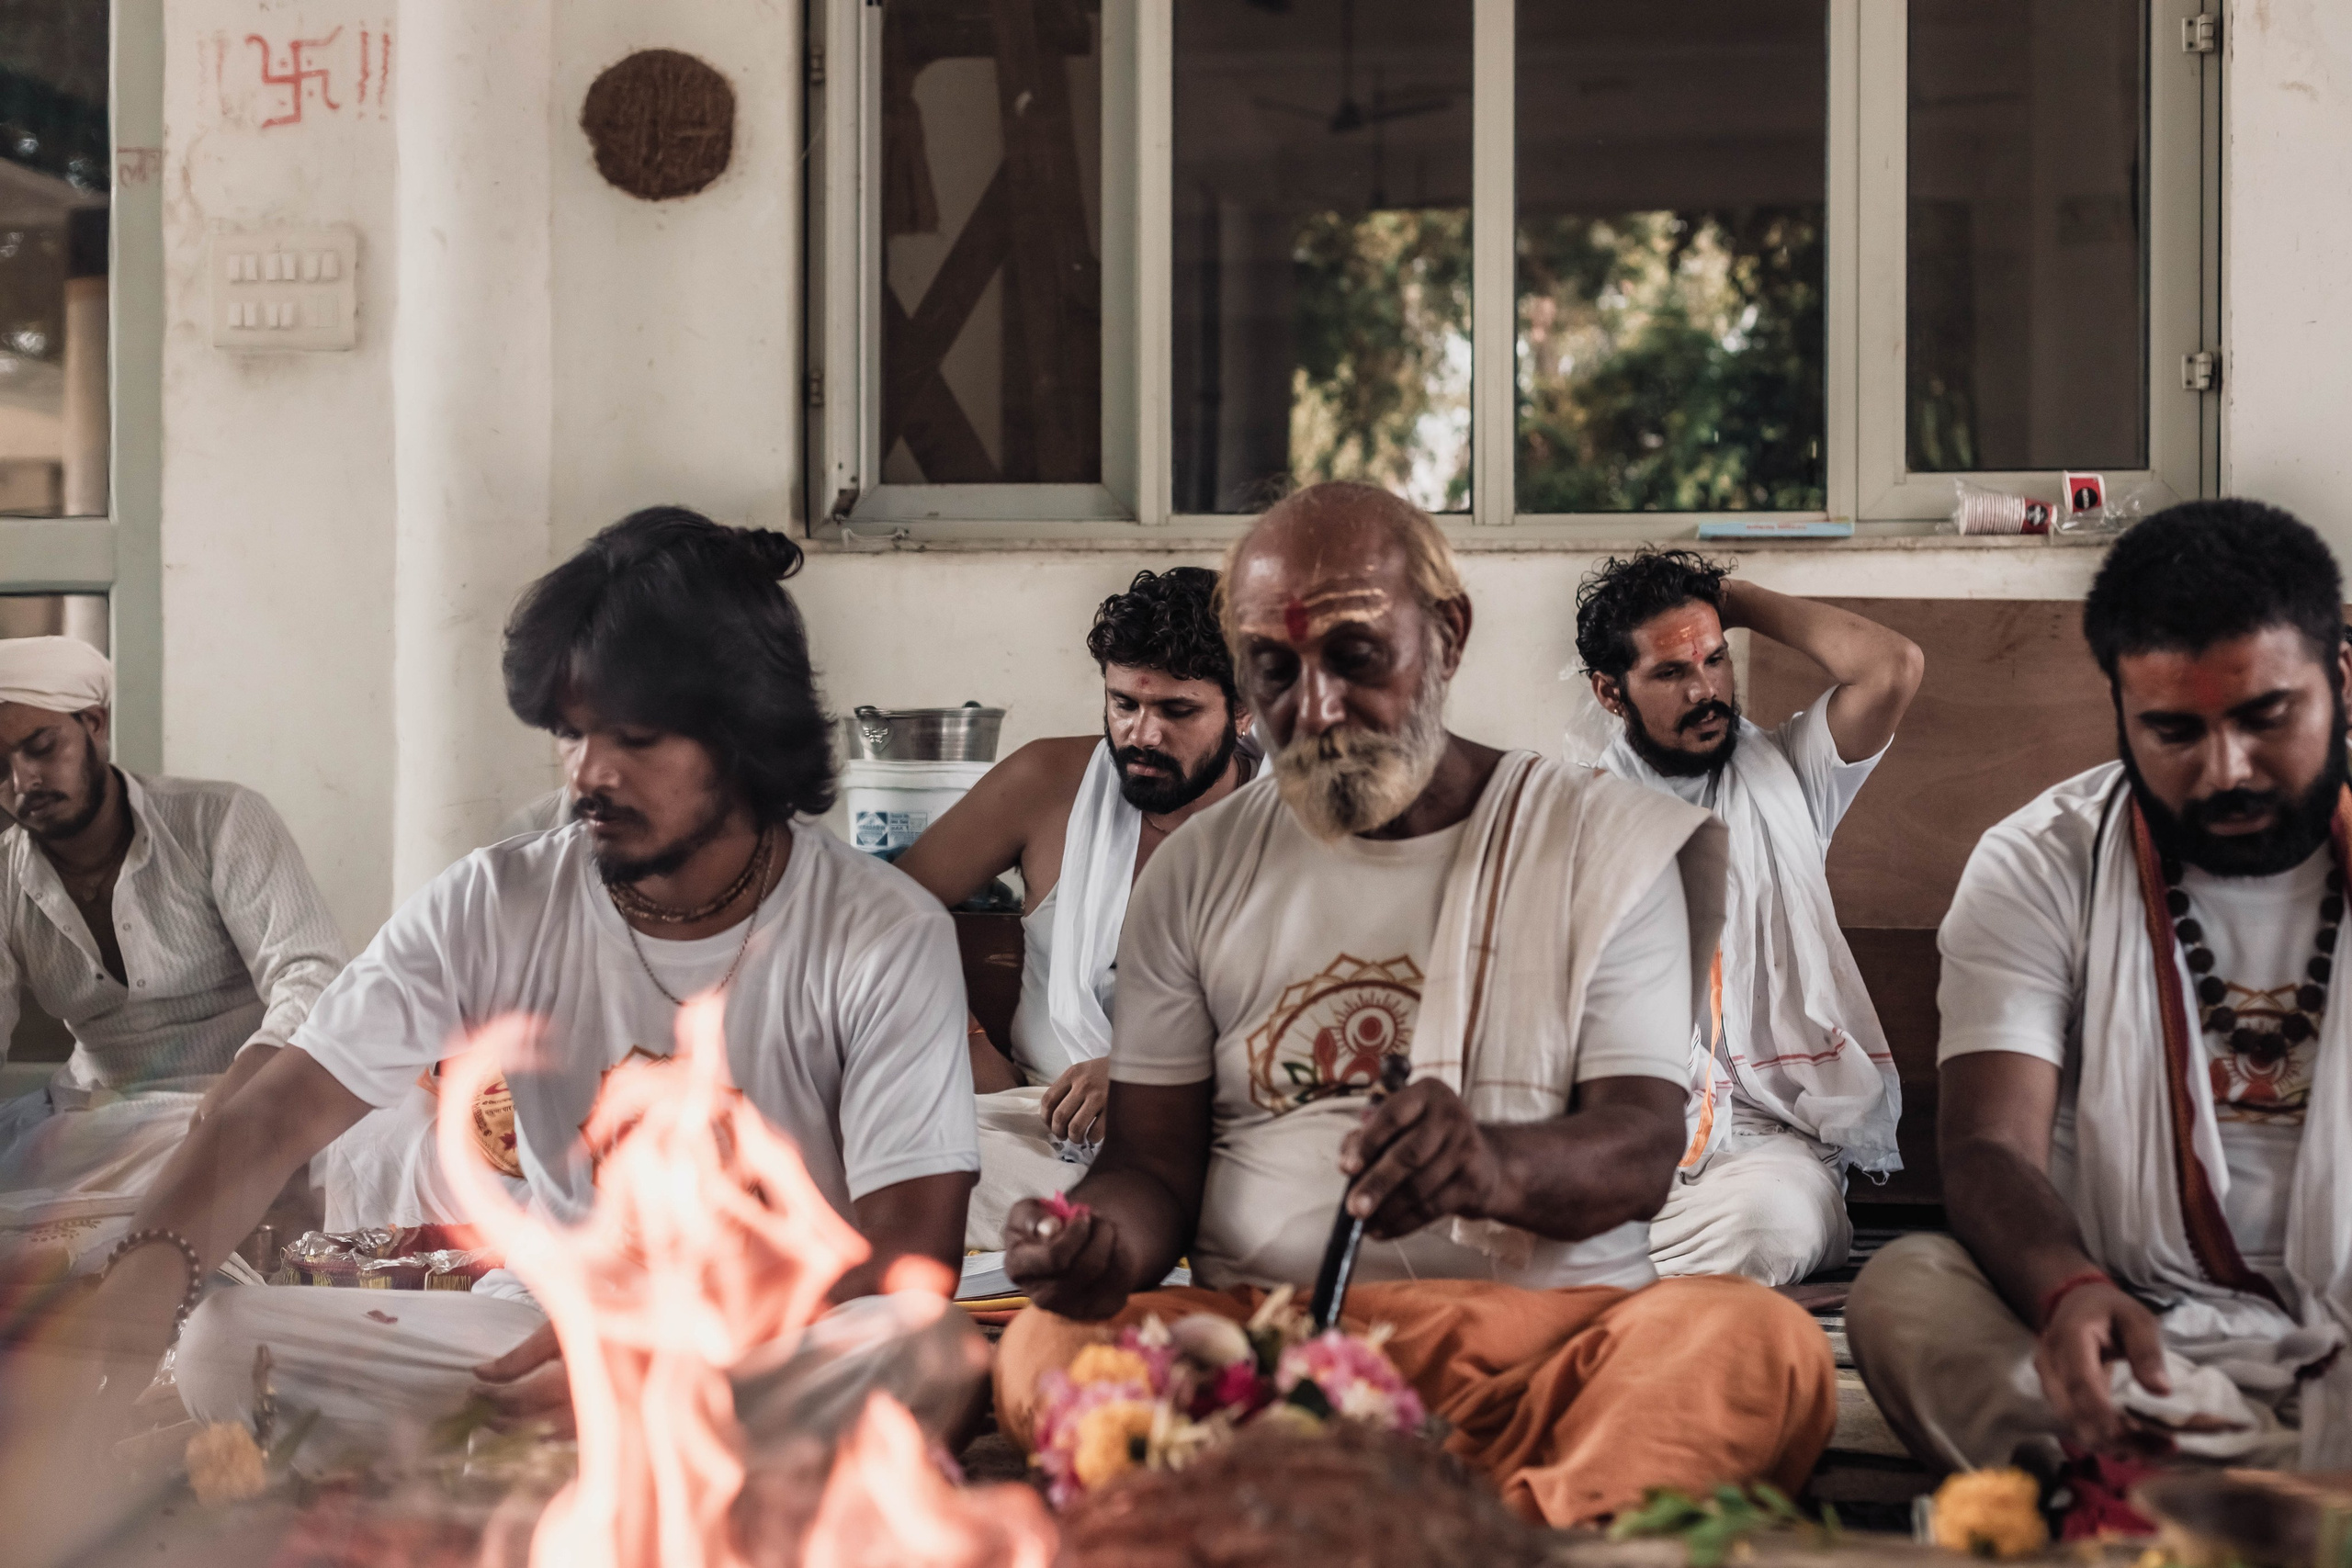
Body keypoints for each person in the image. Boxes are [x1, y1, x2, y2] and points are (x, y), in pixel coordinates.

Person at [992, 482, 1836, 1528]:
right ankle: (1508, 1535)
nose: (1320, 709)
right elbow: (1149, 1169)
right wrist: (1097, 1249)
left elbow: (1637, 1148)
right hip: (1265, 1357)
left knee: (1752, 1346)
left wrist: (1490, 1167)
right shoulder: (1197, 869)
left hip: (1550, 1356)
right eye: (1274, 671)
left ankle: (1394, 1528)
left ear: (1446, 635)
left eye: (1356, 657)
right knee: (1050, 1347)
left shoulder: (1602, 842)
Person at [55, 509, 979, 1457]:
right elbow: (270, 1118)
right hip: (545, 1341)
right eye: (572, 734)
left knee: (926, 1348)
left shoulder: (877, 929)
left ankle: (582, 1462)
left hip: (763, 1349)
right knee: (228, 1340)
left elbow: (911, 1257)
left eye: (638, 738)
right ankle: (573, 1455)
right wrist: (126, 1318)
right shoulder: (499, 898)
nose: (592, 775)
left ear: (745, 735)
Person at [1847, 501, 2352, 1480]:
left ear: (2338, 681)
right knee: (1906, 1289)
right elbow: (1990, 1143)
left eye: (2265, 718)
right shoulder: (2039, 861)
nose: (2224, 771)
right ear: (2118, 709)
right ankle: (2254, 1492)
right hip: (2136, 1325)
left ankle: (2165, 1495)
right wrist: (2068, 1288)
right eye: (2172, 730)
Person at [1574, 552, 1920, 1285]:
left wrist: (1737, 598)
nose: (1706, 691)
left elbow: (1893, 666)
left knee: (1771, 1224)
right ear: (1611, 691)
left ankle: (1589, 1273)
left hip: (1771, 1151)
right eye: (1672, 673)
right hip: (1636, 1145)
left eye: (1715, 659)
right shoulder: (1577, 817)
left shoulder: (1791, 773)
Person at [895, 568, 1255, 1246]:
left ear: (1244, 711)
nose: (1142, 734)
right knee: (881, 1162)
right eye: (1124, 704)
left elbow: (1335, 1024)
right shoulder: (1048, 783)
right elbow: (878, 915)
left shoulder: (1305, 823)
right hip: (1034, 1129)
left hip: (1229, 1134)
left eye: (1177, 711)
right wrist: (966, 1040)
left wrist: (1155, 1079)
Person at [0, 636, 345, 1264]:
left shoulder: (220, 819)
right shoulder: (3, 877)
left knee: (366, 1152)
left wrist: (242, 1095)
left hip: (244, 1097)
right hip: (95, 1123)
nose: (23, 780)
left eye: (41, 747)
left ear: (93, 725)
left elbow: (311, 973)